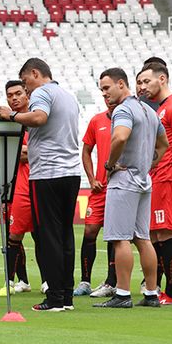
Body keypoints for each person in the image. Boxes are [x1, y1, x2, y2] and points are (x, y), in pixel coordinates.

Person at [0, 58, 81, 312]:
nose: (26, 89)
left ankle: (54, 297)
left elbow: (39, 117)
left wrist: (11, 116)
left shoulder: (43, 92)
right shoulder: (67, 96)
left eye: (25, 82)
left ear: (35, 73)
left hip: (48, 172)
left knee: (48, 236)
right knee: (66, 234)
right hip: (71, 171)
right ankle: (66, 296)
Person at [93, 68, 168, 309]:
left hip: (124, 179)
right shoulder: (148, 110)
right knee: (143, 238)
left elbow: (120, 137)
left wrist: (110, 164)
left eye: (107, 88)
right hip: (144, 179)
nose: (104, 94)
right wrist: (148, 163)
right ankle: (152, 293)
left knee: (119, 238)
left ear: (121, 84)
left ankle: (123, 293)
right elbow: (164, 144)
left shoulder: (123, 109)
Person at [137, 62, 172, 305]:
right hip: (157, 176)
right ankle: (163, 288)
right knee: (156, 235)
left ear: (162, 79)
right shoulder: (160, 108)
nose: (142, 86)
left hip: (168, 176)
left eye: (146, 81)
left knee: (165, 233)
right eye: (139, 82)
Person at [0, 80, 33, 297]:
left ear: (27, 94)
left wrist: (24, 151)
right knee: (14, 233)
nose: (14, 98)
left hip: (33, 182)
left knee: (39, 234)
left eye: (18, 93)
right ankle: (17, 280)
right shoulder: (5, 122)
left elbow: (32, 152)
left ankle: (46, 280)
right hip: (12, 184)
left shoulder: (37, 117)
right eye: (10, 95)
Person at [77, 95, 118, 298]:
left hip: (121, 187)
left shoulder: (129, 119)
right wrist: (92, 178)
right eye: (104, 94)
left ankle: (112, 281)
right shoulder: (97, 120)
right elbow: (86, 151)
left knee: (115, 233)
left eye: (109, 91)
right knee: (90, 230)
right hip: (100, 189)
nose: (108, 98)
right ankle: (85, 281)